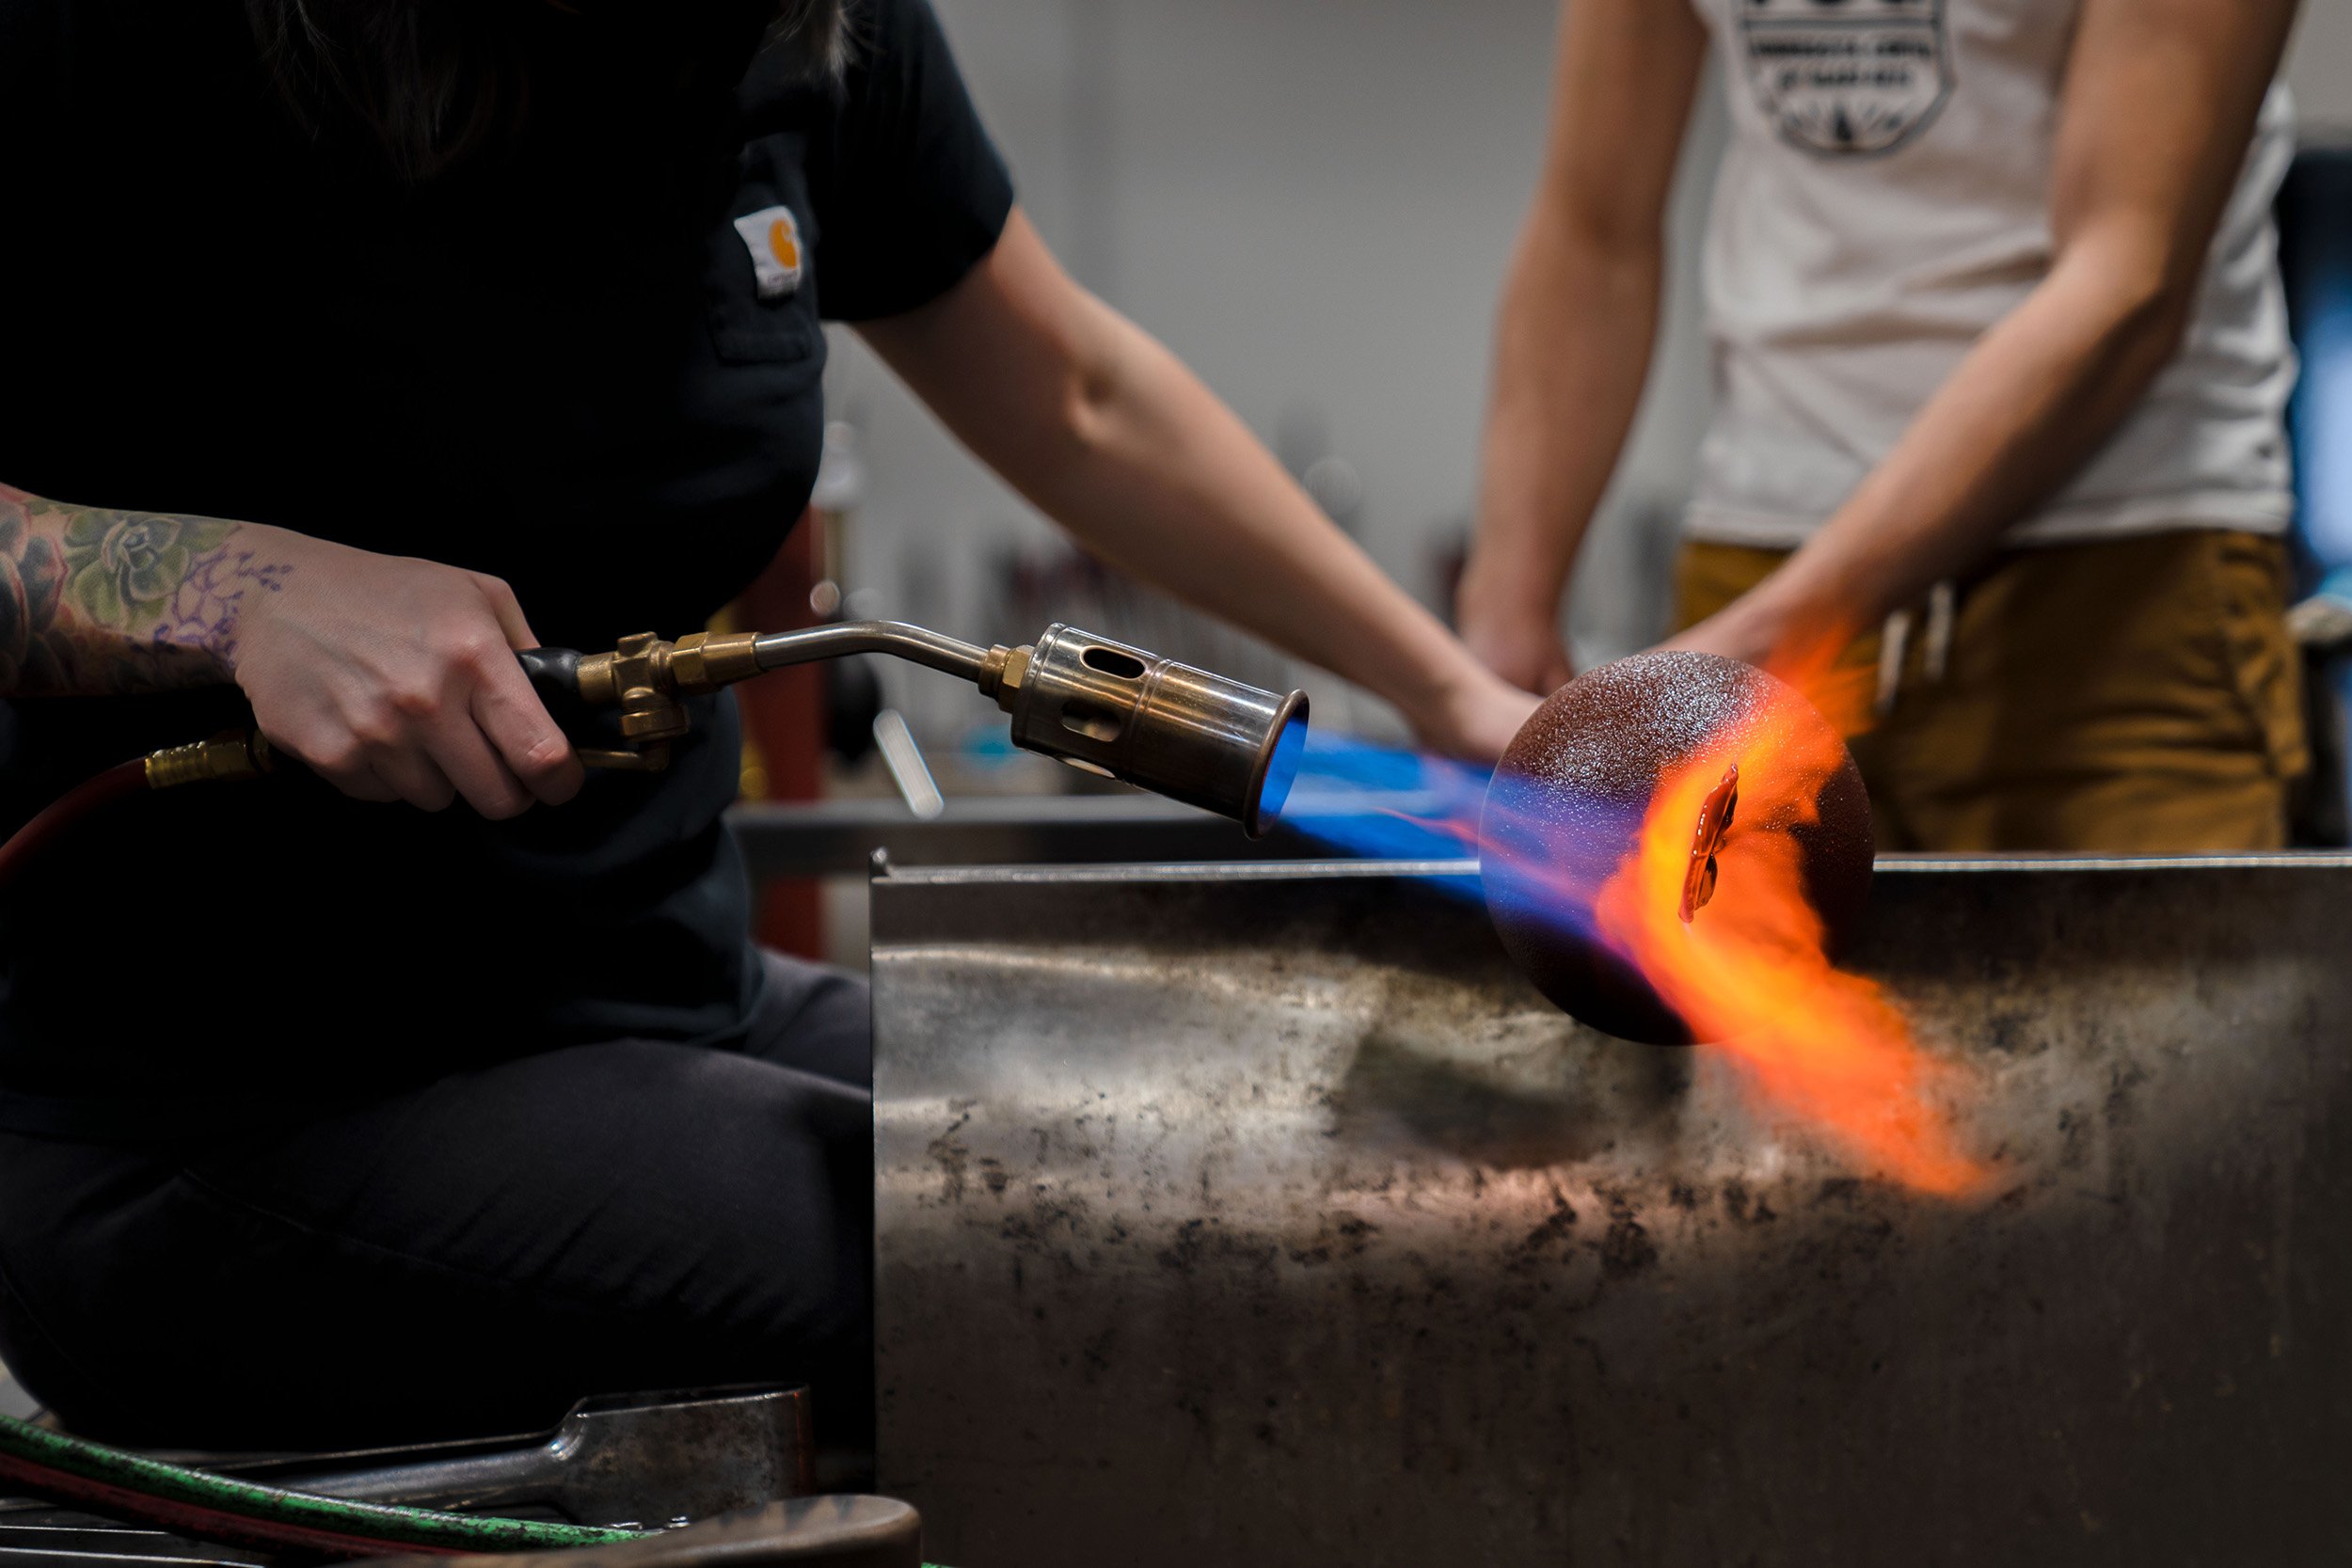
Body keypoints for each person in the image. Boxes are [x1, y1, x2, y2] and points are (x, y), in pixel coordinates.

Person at [0, 0, 1536, 1452]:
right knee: (1098, 1258)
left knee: (1295, 1145)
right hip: (225, 1123)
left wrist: (1457, 697)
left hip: (677, 1001)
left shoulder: (809, 34)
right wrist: (237, 594)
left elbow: (1077, 396)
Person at [1457, 0, 2310, 852]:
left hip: (2118, 586)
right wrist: (1505, 617)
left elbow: (2128, 276)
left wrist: (1760, 642)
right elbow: (1596, 225)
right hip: (1760, 551)